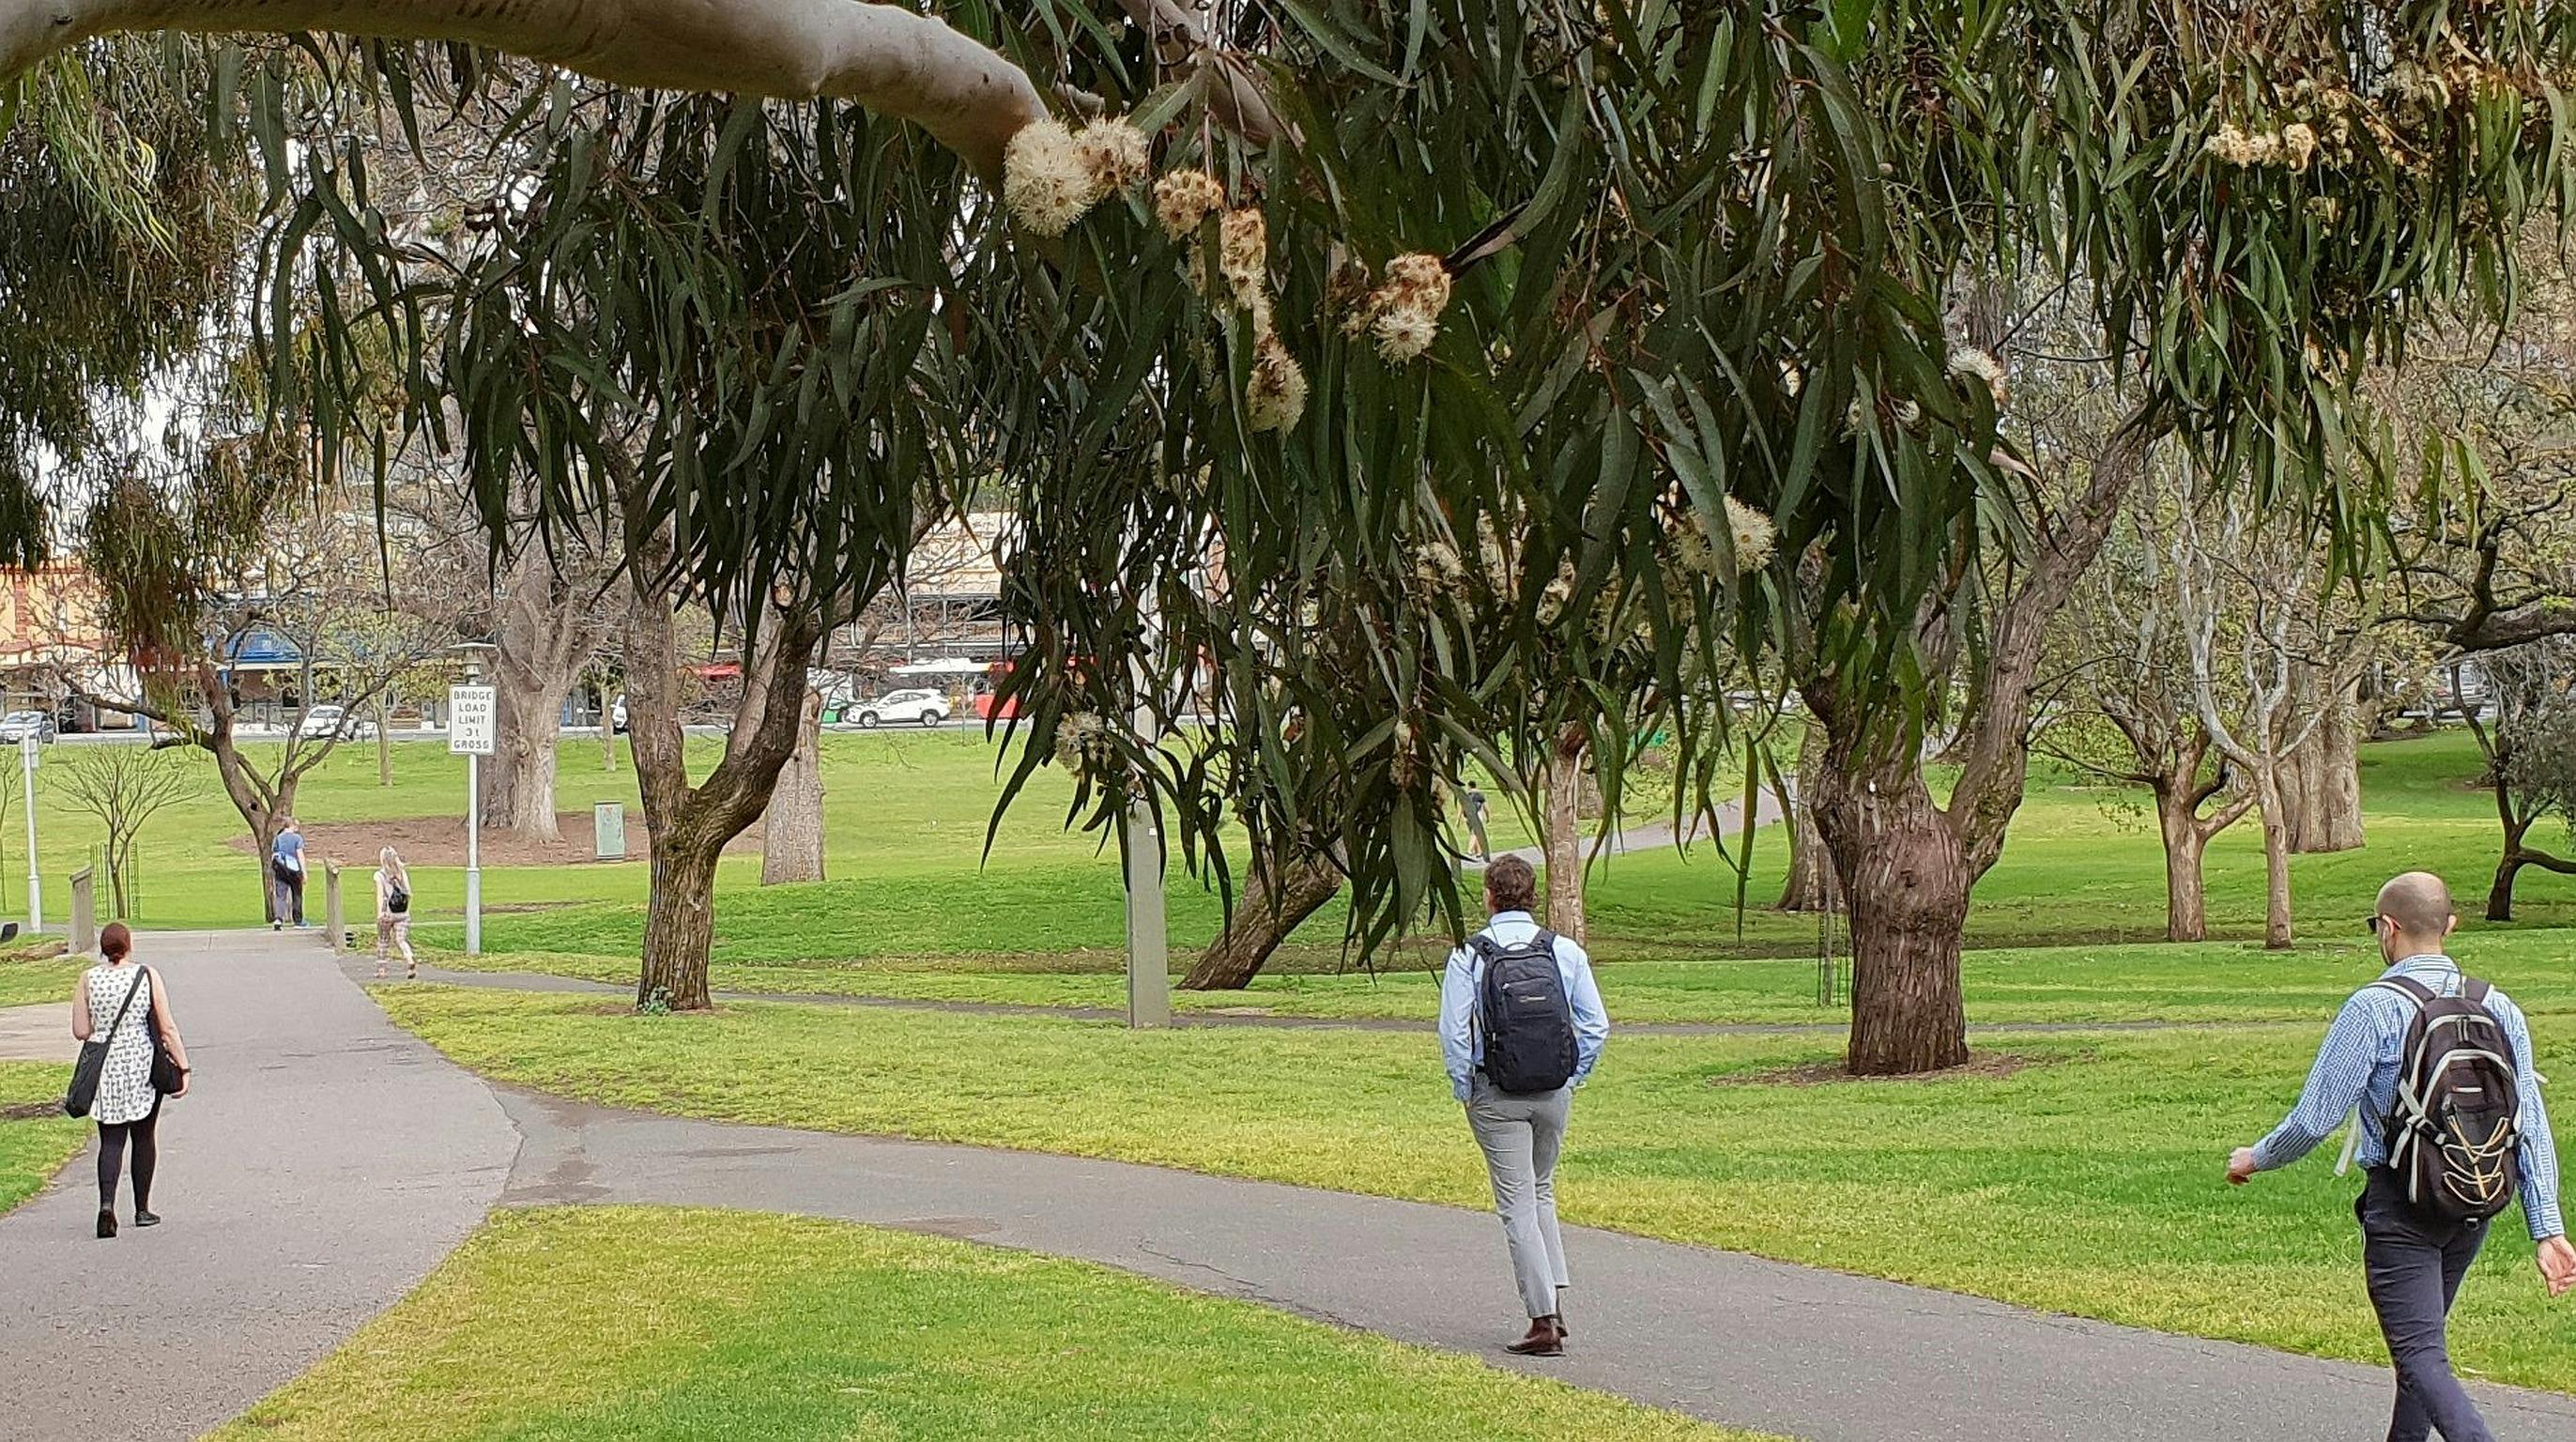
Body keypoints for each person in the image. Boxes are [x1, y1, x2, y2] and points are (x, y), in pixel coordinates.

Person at [2228, 872, 2575, 1441]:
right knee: (2422, 1351)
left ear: (2387, 930)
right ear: (2450, 927)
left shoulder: (2372, 1008)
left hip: (2404, 1205)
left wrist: (2255, 1158)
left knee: (2419, 1356)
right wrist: (2547, 1227)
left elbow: (2314, 1120)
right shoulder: (2499, 1007)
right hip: (2475, 1200)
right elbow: (2529, 1121)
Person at [1439, 854, 1609, 1357]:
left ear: (1489, 896)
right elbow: (1596, 1025)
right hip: (1552, 1092)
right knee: (1541, 1191)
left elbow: (1454, 1032)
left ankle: (1543, 1321)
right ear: (1532, 895)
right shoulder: (1564, 951)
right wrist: (1572, 1077)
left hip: (1497, 1093)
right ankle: (1555, 1301)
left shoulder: (1470, 956)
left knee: (1516, 1205)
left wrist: (1465, 1087)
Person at [69, 922, 189, 1238]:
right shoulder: (146, 975)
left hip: (105, 1066)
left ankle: (106, 1206)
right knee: (144, 1135)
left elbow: (81, 1030)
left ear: (103, 948)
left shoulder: (88, 979)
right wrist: (183, 1067)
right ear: (129, 945)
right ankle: (142, 1209)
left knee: (111, 1139)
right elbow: (166, 1027)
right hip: (141, 1063)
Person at [374, 845, 416, 980]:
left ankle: (381, 969)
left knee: (383, 940)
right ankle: (409, 958)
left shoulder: (379, 875)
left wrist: (380, 912)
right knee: (401, 939)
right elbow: (408, 892)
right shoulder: (402, 873)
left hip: (387, 913)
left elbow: (380, 895)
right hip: (402, 913)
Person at [269, 819, 306, 929]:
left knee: (281, 895)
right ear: (292, 826)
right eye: (297, 826)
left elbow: (274, 854)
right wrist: (304, 872)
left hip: (281, 869)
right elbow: (300, 855)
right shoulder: (297, 838)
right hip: (294, 870)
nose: (297, 829)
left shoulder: (278, 838)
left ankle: (278, 919)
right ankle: (298, 921)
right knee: (297, 894)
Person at [1463, 786, 1492, 863]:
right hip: (1477, 815)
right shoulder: (1480, 795)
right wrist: (1488, 817)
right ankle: (1469, 850)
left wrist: (1463, 817)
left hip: (1468, 815)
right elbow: (1486, 807)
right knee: (1475, 833)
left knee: (1474, 833)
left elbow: (1463, 807)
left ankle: (1479, 852)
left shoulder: (1467, 795)